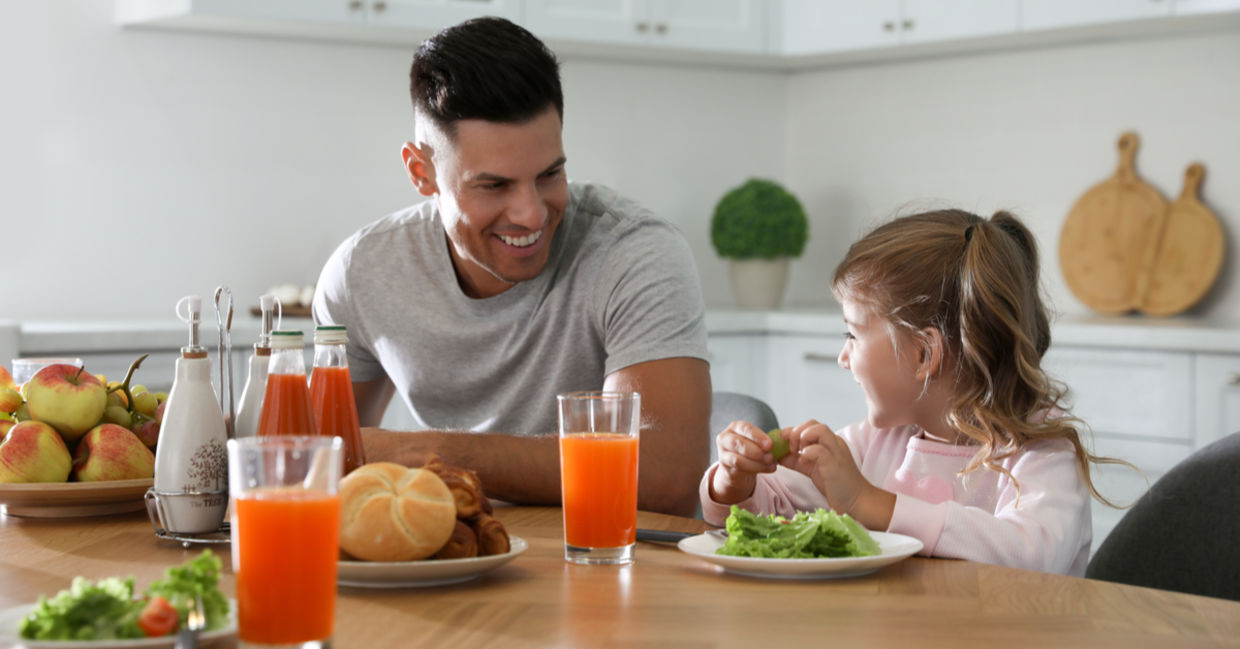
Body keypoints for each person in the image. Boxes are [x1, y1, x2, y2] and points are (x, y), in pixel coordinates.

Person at [314, 17, 712, 517]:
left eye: (550, 174)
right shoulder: (361, 273)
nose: (531, 213)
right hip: (454, 560)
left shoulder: (634, 251)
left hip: (609, 564)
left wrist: (438, 455)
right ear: (422, 173)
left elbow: (667, 474)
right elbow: (322, 459)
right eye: (494, 186)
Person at [701, 208, 1126, 575]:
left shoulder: (1038, 450)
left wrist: (872, 504)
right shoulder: (877, 442)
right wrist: (734, 480)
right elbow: (769, 513)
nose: (843, 357)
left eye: (852, 334)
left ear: (924, 354)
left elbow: (1033, 553)